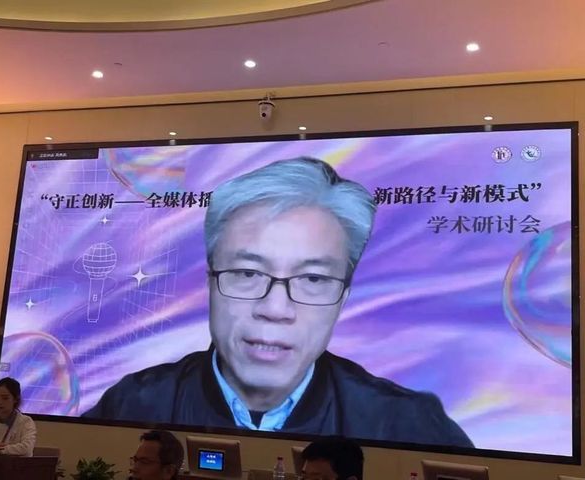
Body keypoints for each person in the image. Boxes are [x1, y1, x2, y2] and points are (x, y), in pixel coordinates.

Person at [83, 157, 473, 447]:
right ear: (211, 283)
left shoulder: (405, 422)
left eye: (313, 279)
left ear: (342, 298)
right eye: (247, 273)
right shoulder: (135, 403)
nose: (275, 309)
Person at [0, 377, 37, 456]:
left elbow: (27, 448)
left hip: (14, 464)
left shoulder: (26, 422)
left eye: (5, 398)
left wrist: (0, 449)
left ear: (15, 399)